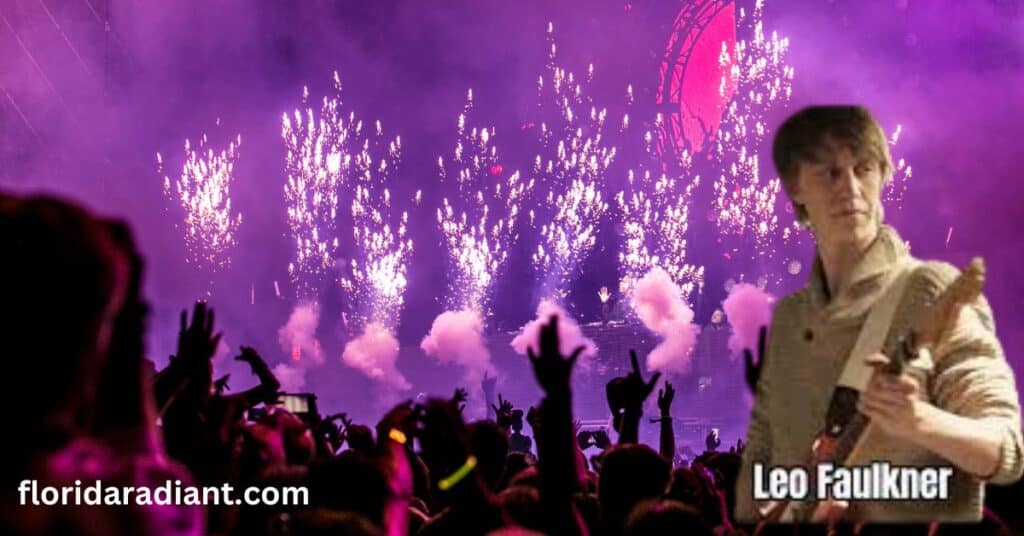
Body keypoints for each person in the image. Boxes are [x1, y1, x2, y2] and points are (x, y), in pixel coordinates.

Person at [735, 105, 1024, 523]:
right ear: (795, 186)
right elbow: (761, 471)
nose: (850, 188)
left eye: (864, 168)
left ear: (883, 174)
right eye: (829, 173)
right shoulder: (790, 319)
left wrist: (921, 421)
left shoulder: (931, 289)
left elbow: (1007, 449)